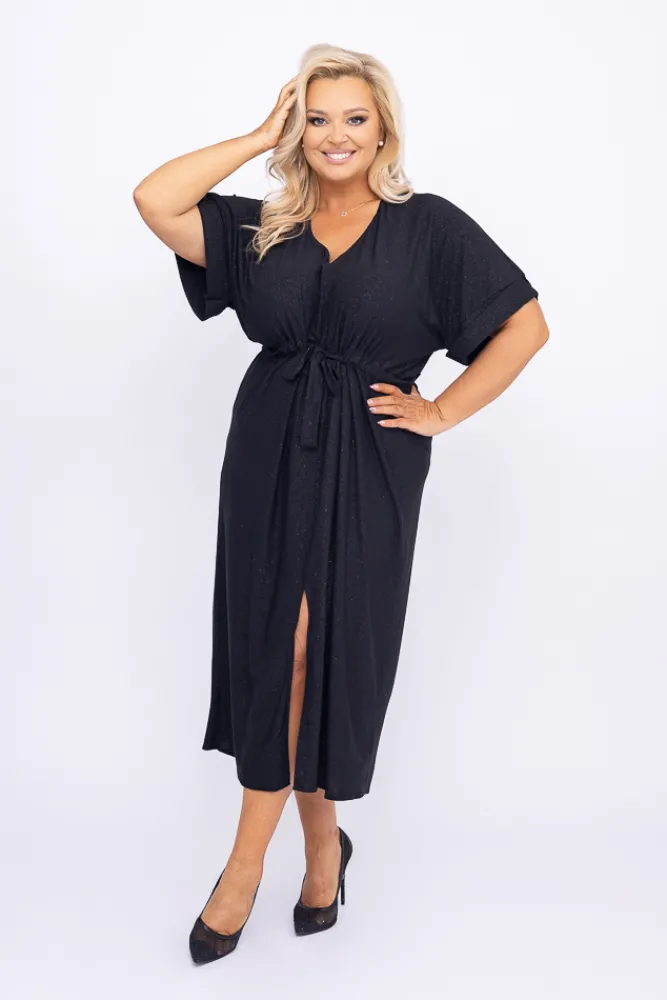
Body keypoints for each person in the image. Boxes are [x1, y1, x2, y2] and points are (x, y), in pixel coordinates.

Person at [133, 43, 549, 965]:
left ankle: (248, 865)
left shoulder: (430, 228)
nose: (335, 135)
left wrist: (440, 410)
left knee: (320, 654)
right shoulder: (264, 229)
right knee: (281, 654)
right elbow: (155, 199)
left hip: (369, 461)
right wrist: (259, 136)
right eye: (316, 118)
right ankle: (316, 849)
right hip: (267, 456)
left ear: (383, 128)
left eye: (353, 118)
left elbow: (526, 326)